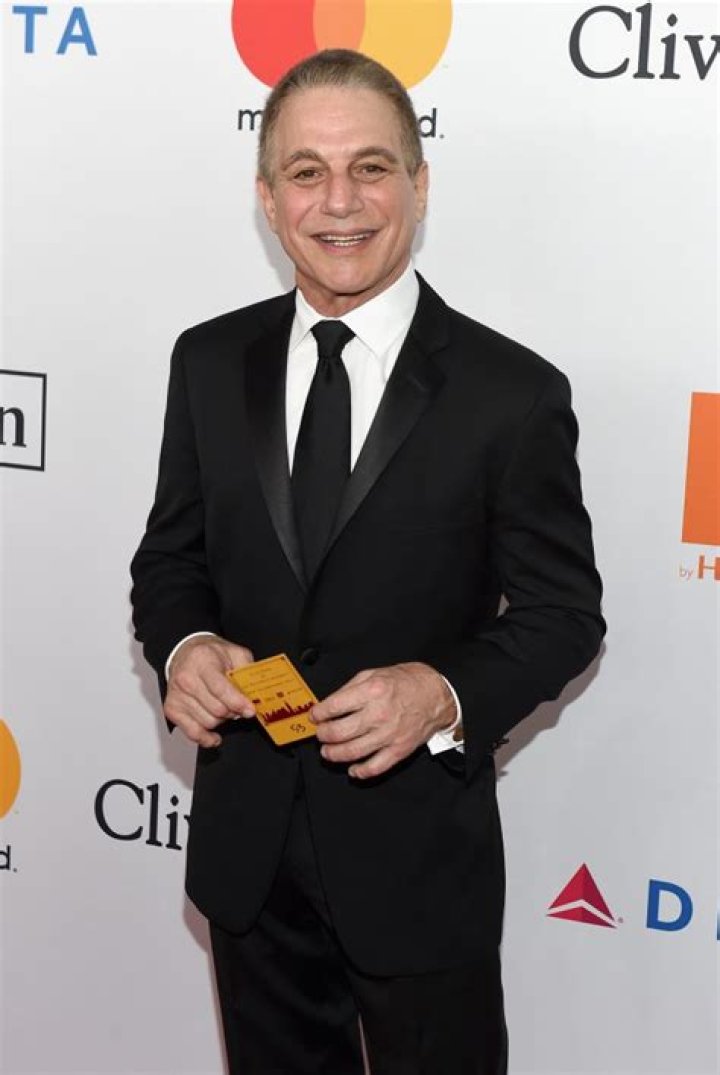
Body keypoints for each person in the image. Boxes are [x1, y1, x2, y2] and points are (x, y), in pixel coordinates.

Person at [130, 48, 604, 1075]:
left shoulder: (511, 393)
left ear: (419, 185)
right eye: (307, 172)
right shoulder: (208, 361)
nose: (339, 201)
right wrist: (187, 643)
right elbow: (169, 561)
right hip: (249, 857)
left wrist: (441, 690)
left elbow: (564, 615)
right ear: (268, 198)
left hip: (418, 866)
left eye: (371, 168)